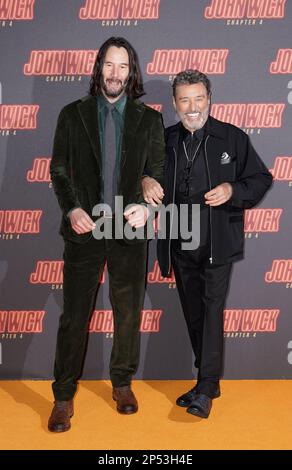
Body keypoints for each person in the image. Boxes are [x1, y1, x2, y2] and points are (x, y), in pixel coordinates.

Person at [48, 37, 165, 432]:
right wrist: (73, 208)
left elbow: (157, 171)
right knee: (74, 316)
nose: (115, 74)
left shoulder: (148, 119)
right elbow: (60, 170)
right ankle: (63, 396)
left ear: (132, 73)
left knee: (128, 314)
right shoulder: (71, 114)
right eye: (109, 65)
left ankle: (122, 384)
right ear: (99, 68)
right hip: (85, 228)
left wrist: (147, 203)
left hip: (129, 232)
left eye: (123, 67)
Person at [142, 69, 273, 419]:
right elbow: (144, 172)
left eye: (199, 98)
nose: (192, 106)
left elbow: (261, 178)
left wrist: (233, 190)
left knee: (212, 311)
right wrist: (143, 181)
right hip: (178, 240)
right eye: (184, 99)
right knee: (194, 312)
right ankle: (208, 381)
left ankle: (205, 388)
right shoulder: (164, 139)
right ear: (174, 103)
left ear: (209, 99)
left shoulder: (232, 138)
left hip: (217, 241)